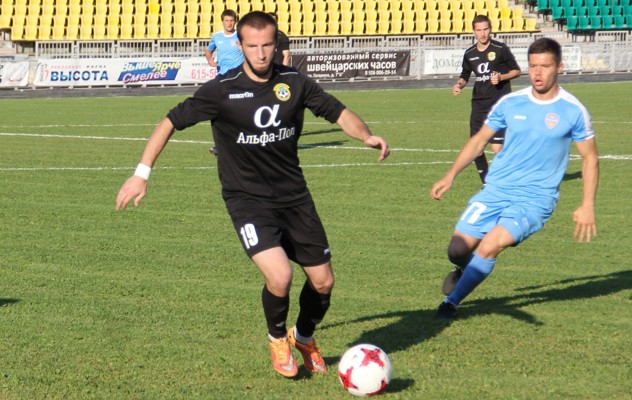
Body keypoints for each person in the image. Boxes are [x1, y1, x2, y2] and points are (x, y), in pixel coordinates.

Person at [116, 11, 389, 378]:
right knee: (280, 276)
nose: (261, 53)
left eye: (267, 45)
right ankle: (277, 338)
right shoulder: (221, 90)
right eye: (253, 46)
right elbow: (169, 122)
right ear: (240, 46)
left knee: (324, 282)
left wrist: (366, 135)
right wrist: (141, 174)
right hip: (247, 200)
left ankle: (303, 337)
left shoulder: (294, 83)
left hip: (295, 197)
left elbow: (338, 112)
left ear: (276, 44)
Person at [431, 37, 599, 319]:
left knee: (490, 245)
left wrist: (587, 205)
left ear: (559, 67)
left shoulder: (573, 110)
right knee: (457, 250)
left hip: (535, 199)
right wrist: (450, 175)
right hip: (496, 190)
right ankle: (464, 268)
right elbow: (479, 141)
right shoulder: (511, 102)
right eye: (533, 66)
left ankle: (451, 303)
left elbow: (590, 158)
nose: (537, 73)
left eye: (545, 66)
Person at [453, 15, 521, 184]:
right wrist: (459, 85)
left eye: (485, 29)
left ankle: (509, 179)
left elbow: (516, 71)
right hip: (479, 105)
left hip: (498, 104)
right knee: (476, 148)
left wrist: (502, 77)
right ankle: (486, 183)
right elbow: (465, 76)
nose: (482, 33)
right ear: (474, 31)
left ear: (490, 29)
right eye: (479, 30)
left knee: (497, 148)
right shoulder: (469, 53)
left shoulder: (500, 48)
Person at [204, 9, 243, 76]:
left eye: (231, 20)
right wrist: (209, 60)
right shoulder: (217, 36)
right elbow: (208, 51)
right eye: (226, 21)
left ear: (235, 21)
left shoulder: (241, 35)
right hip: (222, 74)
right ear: (222, 22)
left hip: (238, 74)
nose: (229, 23)